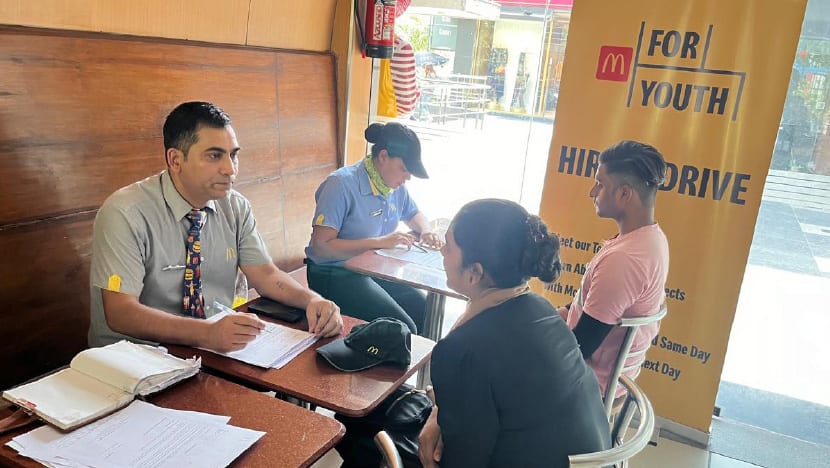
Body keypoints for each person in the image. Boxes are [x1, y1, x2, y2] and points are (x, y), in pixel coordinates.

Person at [88, 101, 343, 352]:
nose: (230, 169)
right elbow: (120, 313)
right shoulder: (125, 213)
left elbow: (265, 274)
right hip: (135, 355)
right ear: (175, 160)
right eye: (214, 156)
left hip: (211, 349)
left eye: (234, 155)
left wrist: (312, 300)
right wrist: (206, 333)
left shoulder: (235, 206)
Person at [417, 199, 610, 468]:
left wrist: (439, 417)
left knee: (380, 435)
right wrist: (440, 412)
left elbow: (461, 460)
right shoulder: (540, 308)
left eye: (448, 247)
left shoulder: (461, 349)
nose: (442, 252)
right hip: (590, 457)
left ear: (475, 273)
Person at [305, 122, 442, 334]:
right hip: (334, 272)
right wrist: (379, 242)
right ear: (383, 156)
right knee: (402, 328)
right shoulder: (340, 185)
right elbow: (322, 247)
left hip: (371, 268)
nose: (407, 177)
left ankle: (422, 357)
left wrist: (426, 230)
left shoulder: (393, 185)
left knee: (423, 309)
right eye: (404, 169)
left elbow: (413, 213)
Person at [559, 140, 670, 396]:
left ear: (624, 194)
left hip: (585, 387)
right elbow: (587, 309)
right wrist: (554, 315)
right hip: (597, 375)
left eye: (600, 184)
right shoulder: (651, 238)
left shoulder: (624, 261)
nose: (592, 192)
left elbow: (579, 349)